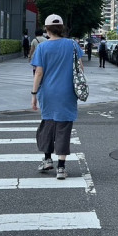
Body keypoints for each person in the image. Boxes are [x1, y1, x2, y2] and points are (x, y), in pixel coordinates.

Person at [30, 14, 84, 180]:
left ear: (46, 29)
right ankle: (61, 168)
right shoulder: (72, 44)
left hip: (48, 93)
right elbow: (80, 68)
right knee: (63, 128)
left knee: (48, 125)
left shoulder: (42, 47)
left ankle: (47, 159)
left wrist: (33, 94)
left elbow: (39, 72)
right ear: (62, 28)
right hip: (67, 92)